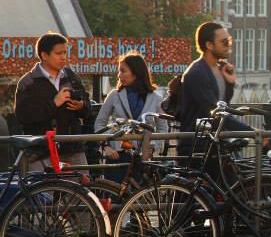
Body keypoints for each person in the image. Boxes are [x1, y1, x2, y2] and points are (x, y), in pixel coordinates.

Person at [14, 32, 90, 172]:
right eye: (58, 53)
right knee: (43, 193)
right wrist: (54, 103)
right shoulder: (28, 82)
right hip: (41, 153)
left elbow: (88, 111)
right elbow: (23, 116)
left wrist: (82, 106)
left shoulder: (72, 77)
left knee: (80, 193)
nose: (63, 57)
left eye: (65, 53)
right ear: (44, 55)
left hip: (73, 149)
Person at [178, 22, 250, 162]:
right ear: (209, 45)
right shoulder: (197, 73)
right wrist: (252, 132)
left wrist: (229, 84)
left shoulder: (219, 69)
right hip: (197, 147)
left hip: (214, 143)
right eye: (224, 42)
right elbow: (215, 111)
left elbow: (223, 105)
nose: (228, 45)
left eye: (229, 41)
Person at [95, 52, 169, 180]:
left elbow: (163, 127)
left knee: (141, 197)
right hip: (117, 156)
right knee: (115, 196)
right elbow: (99, 123)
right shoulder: (114, 95)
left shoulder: (156, 98)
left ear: (136, 72)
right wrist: (106, 146)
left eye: (123, 71)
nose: (119, 75)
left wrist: (153, 147)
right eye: (119, 71)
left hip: (143, 157)